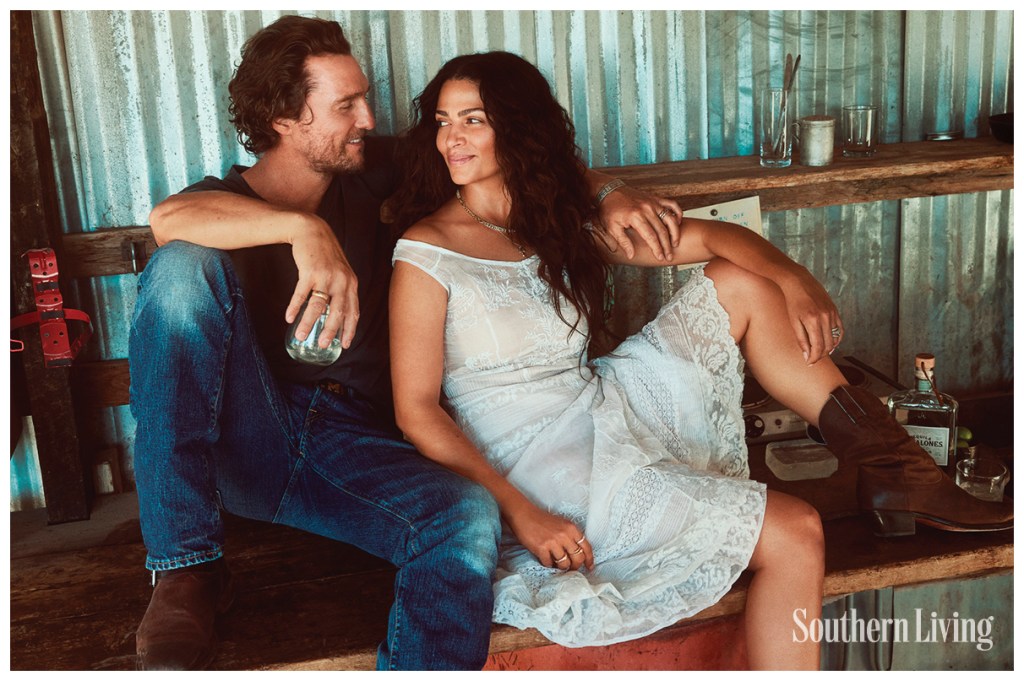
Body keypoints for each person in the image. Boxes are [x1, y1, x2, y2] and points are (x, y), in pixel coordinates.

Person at [387, 51, 1013, 669]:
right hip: (527, 458)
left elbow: (714, 238)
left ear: (517, 129)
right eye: (443, 120)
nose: (452, 139)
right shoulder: (428, 251)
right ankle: (897, 472)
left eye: (473, 119)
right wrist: (519, 511)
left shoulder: (550, 222)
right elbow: (416, 412)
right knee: (795, 529)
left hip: (596, 406)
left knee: (741, 281)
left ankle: (893, 464)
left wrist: (796, 279)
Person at [133, 17, 680, 671]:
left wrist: (611, 193)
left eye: (363, 97)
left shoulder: (375, 171)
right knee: (181, 269)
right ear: (283, 118)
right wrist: (303, 230)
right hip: (253, 439)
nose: (368, 116)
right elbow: (166, 221)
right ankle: (188, 569)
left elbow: (523, 154)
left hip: (357, 445)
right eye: (346, 105)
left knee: (467, 516)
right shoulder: (222, 202)